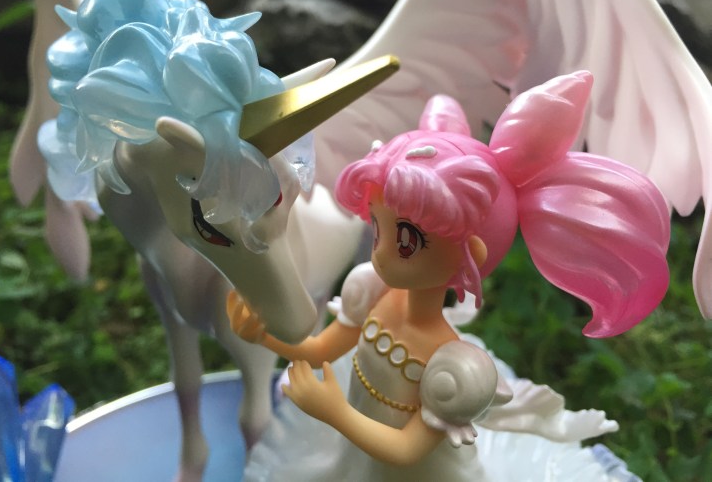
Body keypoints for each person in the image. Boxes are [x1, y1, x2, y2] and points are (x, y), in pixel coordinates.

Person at [229, 71, 669, 481]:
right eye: (378, 227)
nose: (379, 253)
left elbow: (406, 450)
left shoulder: (450, 363)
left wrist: (335, 412)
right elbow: (321, 349)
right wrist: (264, 335)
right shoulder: (374, 292)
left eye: (406, 241)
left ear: (470, 254)